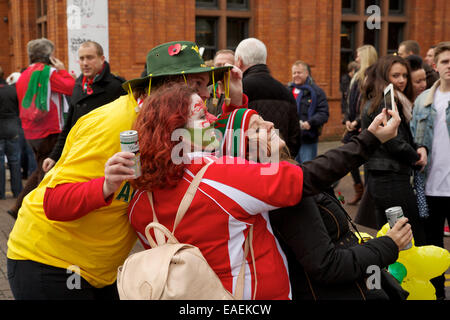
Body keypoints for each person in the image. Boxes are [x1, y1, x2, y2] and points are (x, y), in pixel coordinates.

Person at [110, 81, 404, 300]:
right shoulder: (218, 176)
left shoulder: (138, 197)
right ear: (176, 131)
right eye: (201, 119)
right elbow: (306, 178)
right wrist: (369, 140)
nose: (212, 120)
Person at [6, 40, 244, 300]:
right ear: (169, 88)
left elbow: (222, 143)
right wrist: (106, 186)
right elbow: (53, 202)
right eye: (198, 85)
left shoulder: (176, 120)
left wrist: (235, 100)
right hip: (50, 264)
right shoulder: (113, 124)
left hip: (101, 271)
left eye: (207, 85)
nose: (207, 94)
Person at [211, 106, 412, 300]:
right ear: (245, 151)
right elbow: (327, 266)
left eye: (263, 120)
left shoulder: (280, 177)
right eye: (257, 127)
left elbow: (328, 166)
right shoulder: (282, 194)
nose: (271, 124)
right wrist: (389, 244)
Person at [361, 54, 427, 246]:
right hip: (391, 179)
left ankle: (393, 275)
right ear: (384, 76)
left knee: (393, 236)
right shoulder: (386, 103)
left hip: (384, 178)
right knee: (409, 236)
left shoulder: (385, 100)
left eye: (405, 76)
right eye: (396, 75)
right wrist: (417, 157)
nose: (402, 80)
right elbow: (395, 142)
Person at [7, 38, 75, 219]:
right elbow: (71, 87)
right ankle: (38, 212)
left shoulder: (24, 74)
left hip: (30, 131)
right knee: (47, 172)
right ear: (50, 56)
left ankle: (18, 206)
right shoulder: (50, 73)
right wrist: (62, 70)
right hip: (50, 130)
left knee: (40, 167)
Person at [42, 41, 126, 173]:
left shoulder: (117, 87)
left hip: (105, 160)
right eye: (81, 58)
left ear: (102, 59)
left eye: (90, 57)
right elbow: (69, 126)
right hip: (79, 155)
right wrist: (54, 156)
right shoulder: (78, 85)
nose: (85, 63)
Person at [410, 41, 450, 300]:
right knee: (432, 247)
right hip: (429, 187)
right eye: (446, 62)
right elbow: (415, 138)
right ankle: (436, 294)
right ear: (435, 65)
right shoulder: (424, 100)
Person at [235, 38, 301, 158]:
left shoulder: (238, 91)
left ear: (239, 61)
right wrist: (283, 158)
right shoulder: (286, 91)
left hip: (248, 166)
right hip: (279, 163)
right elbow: (295, 136)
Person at [343, 45, 378, 205]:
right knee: (350, 159)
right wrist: (348, 119)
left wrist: (357, 120)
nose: (356, 58)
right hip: (353, 124)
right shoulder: (356, 76)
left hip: (363, 125)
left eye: (358, 55)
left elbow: (368, 103)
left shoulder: (372, 77)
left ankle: (369, 195)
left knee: (366, 160)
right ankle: (359, 188)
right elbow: (350, 101)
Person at [287, 60, 329, 163]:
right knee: (292, 169)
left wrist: (310, 123)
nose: (296, 75)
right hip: (290, 140)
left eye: (299, 72)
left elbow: (324, 113)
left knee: (307, 170)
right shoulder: (287, 90)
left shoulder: (317, 92)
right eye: (294, 73)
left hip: (308, 139)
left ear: (307, 73)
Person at [0, 66, 23, 200]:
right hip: (13, 127)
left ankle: (1, 192)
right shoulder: (13, 90)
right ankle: (17, 190)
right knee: (14, 160)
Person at [206, 49, 236, 116]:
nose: (221, 69)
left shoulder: (239, 93)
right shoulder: (205, 91)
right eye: (218, 65)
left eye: (226, 66)